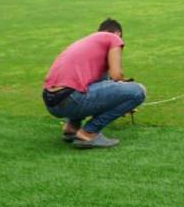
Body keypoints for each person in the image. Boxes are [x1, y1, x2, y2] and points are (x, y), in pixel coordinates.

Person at [42, 18, 146, 148]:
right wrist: (123, 99)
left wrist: (116, 95)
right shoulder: (113, 38)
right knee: (138, 92)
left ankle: (71, 127)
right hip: (71, 99)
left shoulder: (86, 42)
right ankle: (89, 132)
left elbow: (103, 82)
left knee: (96, 83)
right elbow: (116, 75)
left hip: (50, 102)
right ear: (118, 33)